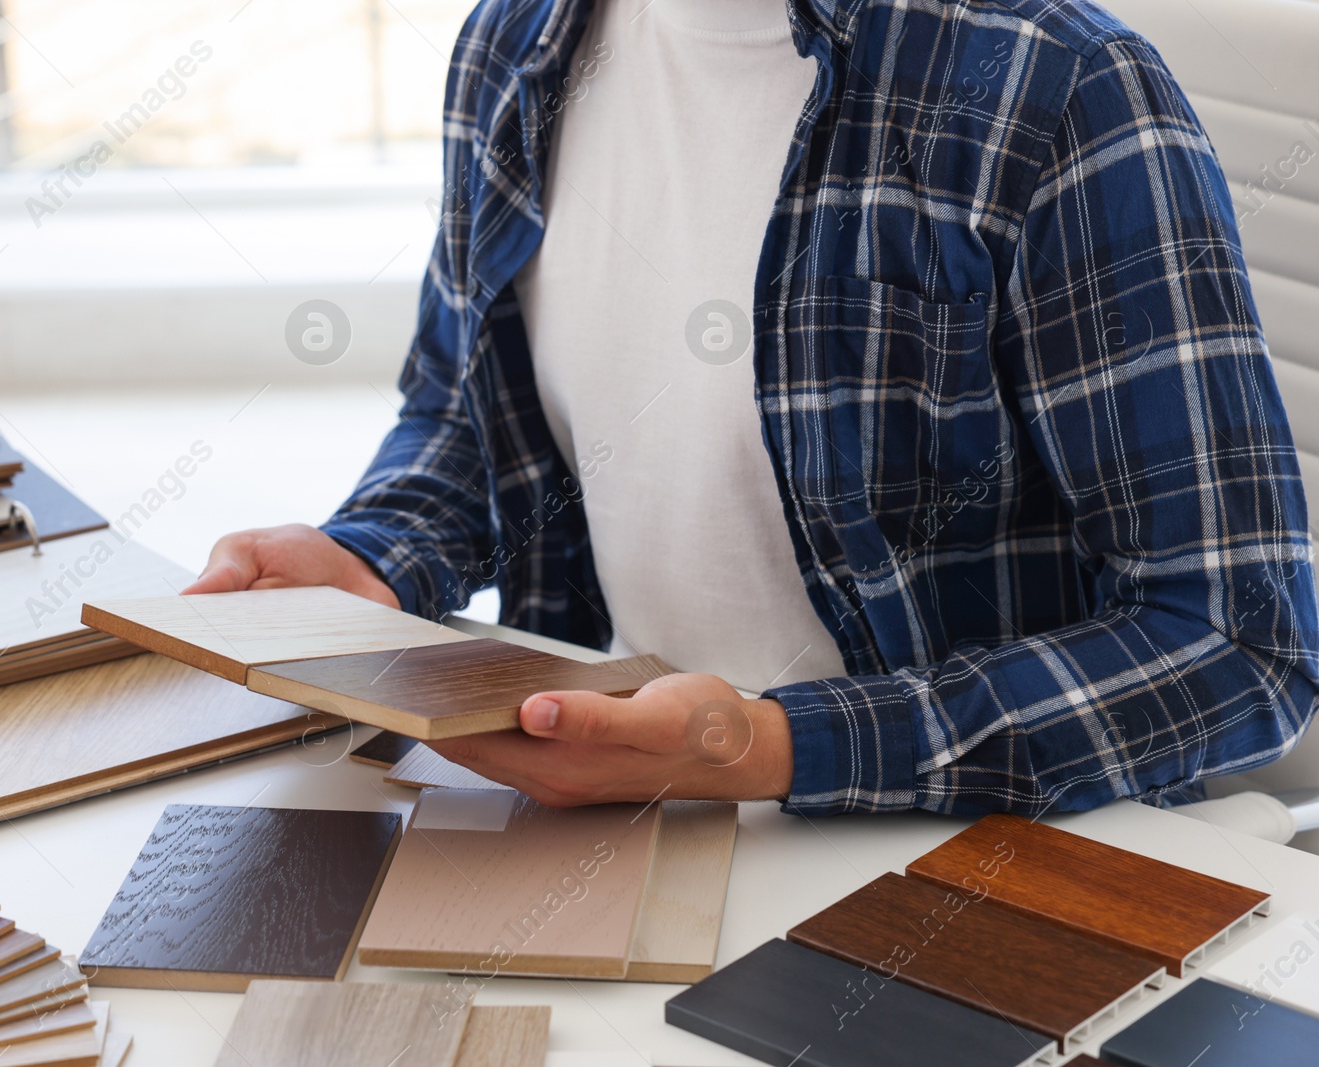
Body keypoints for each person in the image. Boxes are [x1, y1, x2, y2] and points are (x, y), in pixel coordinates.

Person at [184, 0, 1318, 817]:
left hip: (962, 833)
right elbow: (464, 417)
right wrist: (373, 557)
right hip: (614, 786)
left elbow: (1238, 642)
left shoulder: (1058, 87)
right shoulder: (511, 45)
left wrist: (769, 746)